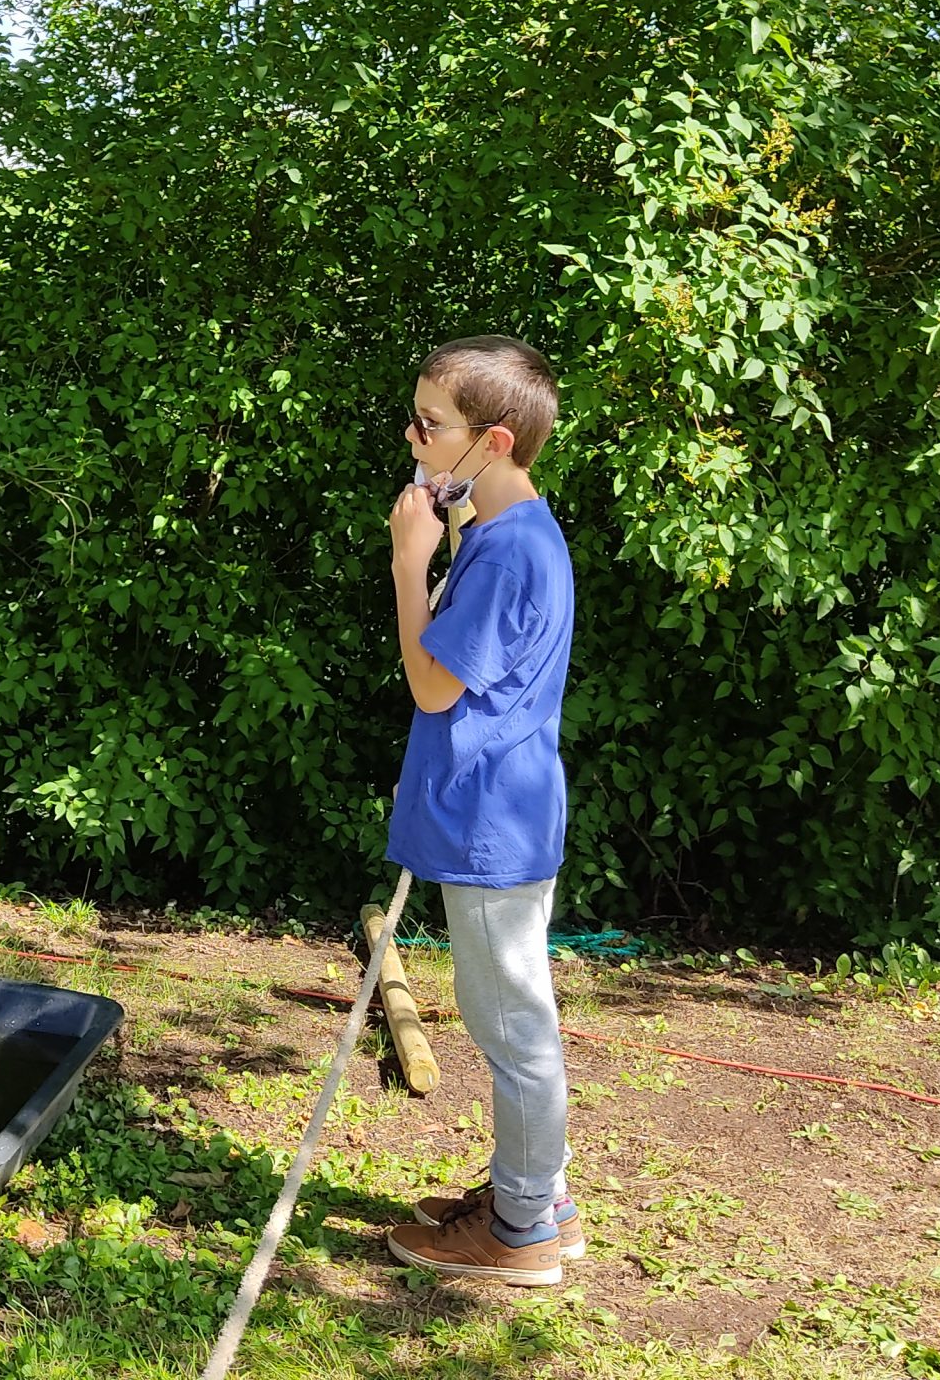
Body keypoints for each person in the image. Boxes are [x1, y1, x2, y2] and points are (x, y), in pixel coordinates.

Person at [378, 335, 582, 1285]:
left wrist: (408, 563)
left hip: (491, 823)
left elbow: (433, 687)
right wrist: (453, 529)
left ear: (492, 441)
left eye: (431, 425)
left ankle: (523, 1229)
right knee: (507, 1016)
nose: (413, 439)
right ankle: (537, 1200)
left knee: (511, 1028)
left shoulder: (508, 557)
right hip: (501, 809)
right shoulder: (507, 533)